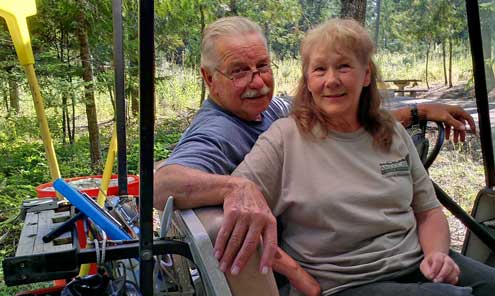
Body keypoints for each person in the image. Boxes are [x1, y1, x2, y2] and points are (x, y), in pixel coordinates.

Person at [231, 18, 495, 296]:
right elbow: (237, 206)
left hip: (414, 264)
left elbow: (428, 211)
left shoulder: (389, 131)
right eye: (319, 69)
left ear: (366, 74)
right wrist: (295, 274)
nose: (331, 81)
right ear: (307, 80)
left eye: (344, 67)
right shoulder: (285, 138)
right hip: (340, 291)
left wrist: (437, 254)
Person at [153, 16, 476, 278]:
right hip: (320, 265)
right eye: (239, 71)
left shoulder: (268, 109)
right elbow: (160, 185)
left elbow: (337, 109)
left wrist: (416, 113)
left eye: (263, 66)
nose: (258, 82)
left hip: (375, 243)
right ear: (209, 79)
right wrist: (236, 186)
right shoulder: (219, 130)